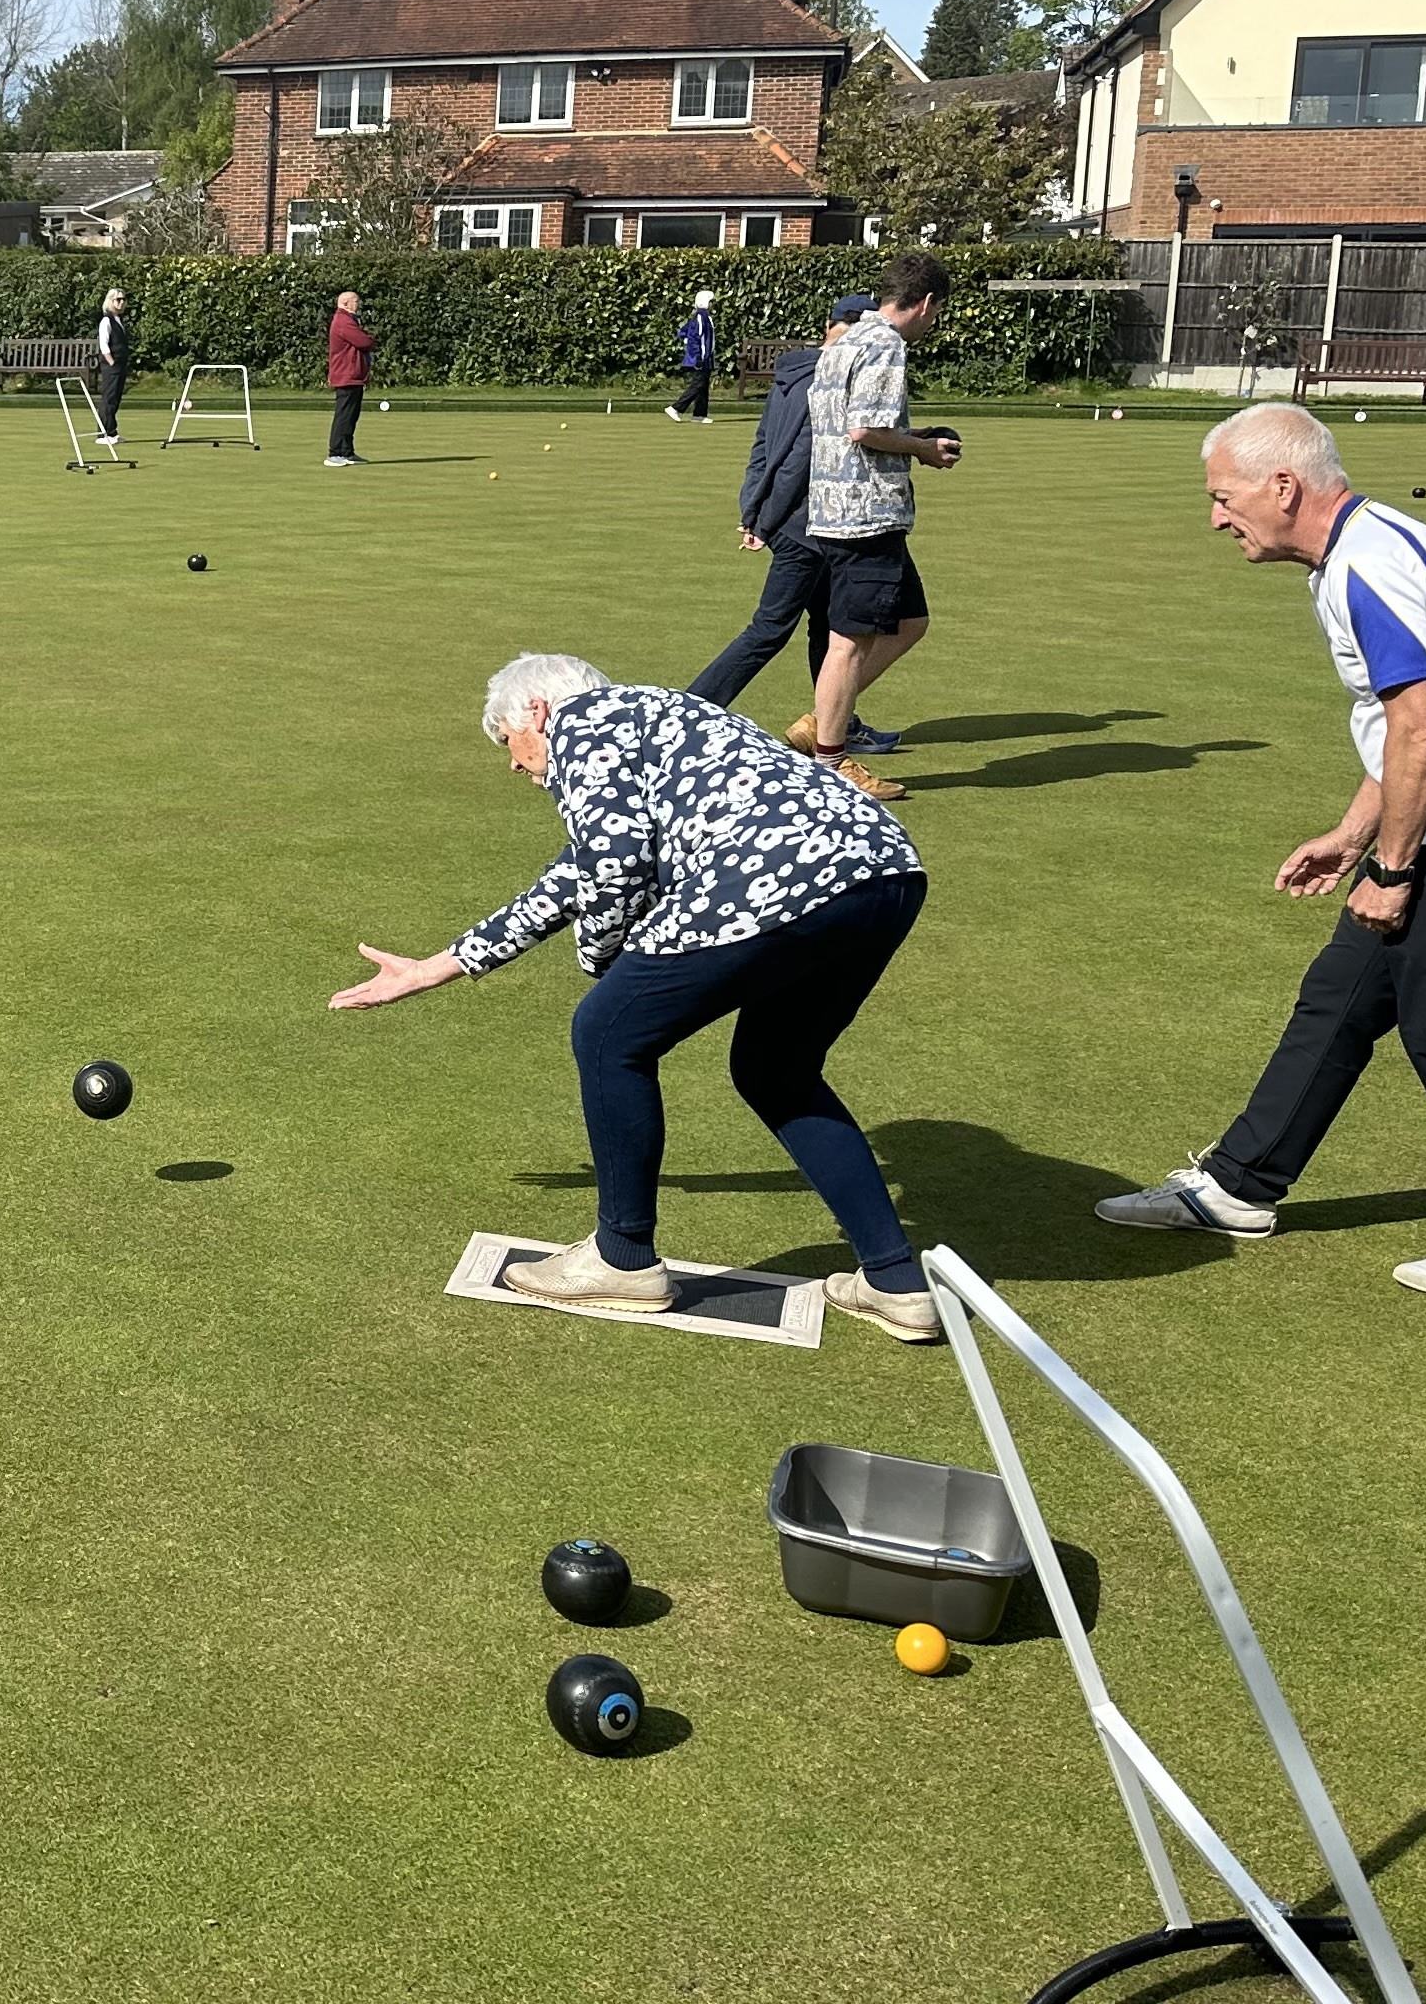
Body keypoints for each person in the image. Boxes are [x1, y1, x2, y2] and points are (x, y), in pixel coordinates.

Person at [1097, 402, 1426, 1298]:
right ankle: (1242, 1187)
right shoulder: (1356, 553)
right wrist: (1355, 834)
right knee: (1340, 998)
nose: (1216, 516)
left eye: (1223, 496)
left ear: (1282, 487)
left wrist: (1393, 872)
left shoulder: (1368, 566)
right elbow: (1407, 731)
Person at [326, 652, 943, 1343]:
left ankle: (622, 1259)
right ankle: (895, 1282)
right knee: (778, 1071)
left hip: (775, 879)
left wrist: (601, 963)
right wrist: (434, 967)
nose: (513, 763)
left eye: (509, 743)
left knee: (606, 1033)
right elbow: (576, 875)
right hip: (885, 875)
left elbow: (616, 866)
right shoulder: (668, 718)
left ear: (537, 712)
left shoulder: (584, 725)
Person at [688, 298, 893, 752]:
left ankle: (837, 721)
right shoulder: (829, 378)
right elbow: (798, 459)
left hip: (804, 524)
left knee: (827, 626)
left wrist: (752, 511)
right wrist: (763, 520)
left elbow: (762, 449)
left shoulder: (790, 374)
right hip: (808, 526)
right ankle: (689, 714)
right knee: (769, 629)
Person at [795, 251, 957, 801]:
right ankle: (832, 760)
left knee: (911, 621)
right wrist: (924, 449)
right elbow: (865, 429)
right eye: (938, 313)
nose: (934, 324)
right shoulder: (887, 345)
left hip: (837, 508)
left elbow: (844, 425)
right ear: (926, 302)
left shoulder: (845, 340)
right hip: (866, 516)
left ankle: (823, 719)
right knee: (850, 644)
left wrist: (914, 438)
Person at [324, 289, 375, 466]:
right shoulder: (343, 320)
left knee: (351, 415)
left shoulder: (348, 320)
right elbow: (364, 341)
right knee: (344, 415)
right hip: (346, 374)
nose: (358, 304)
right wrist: (369, 338)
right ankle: (335, 453)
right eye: (356, 301)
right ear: (346, 303)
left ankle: (347, 452)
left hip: (353, 375)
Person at [92, 286, 134, 447]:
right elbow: (104, 344)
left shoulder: (118, 320)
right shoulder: (106, 320)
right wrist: (111, 361)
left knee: (115, 398)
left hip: (120, 364)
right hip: (112, 365)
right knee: (108, 398)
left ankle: (112, 431)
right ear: (110, 301)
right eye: (118, 299)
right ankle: (103, 433)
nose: (122, 303)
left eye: (123, 299)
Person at [666, 289, 717, 421]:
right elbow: (695, 336)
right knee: (698, 384)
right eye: (711, 302)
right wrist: (697, 356)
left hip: (706, 358)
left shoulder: (705, 317)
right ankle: (676, 408)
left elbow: (684, 331)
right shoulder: (701, 316)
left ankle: (699, 414)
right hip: (700, 358)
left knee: (703, 386)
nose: (713, 305)